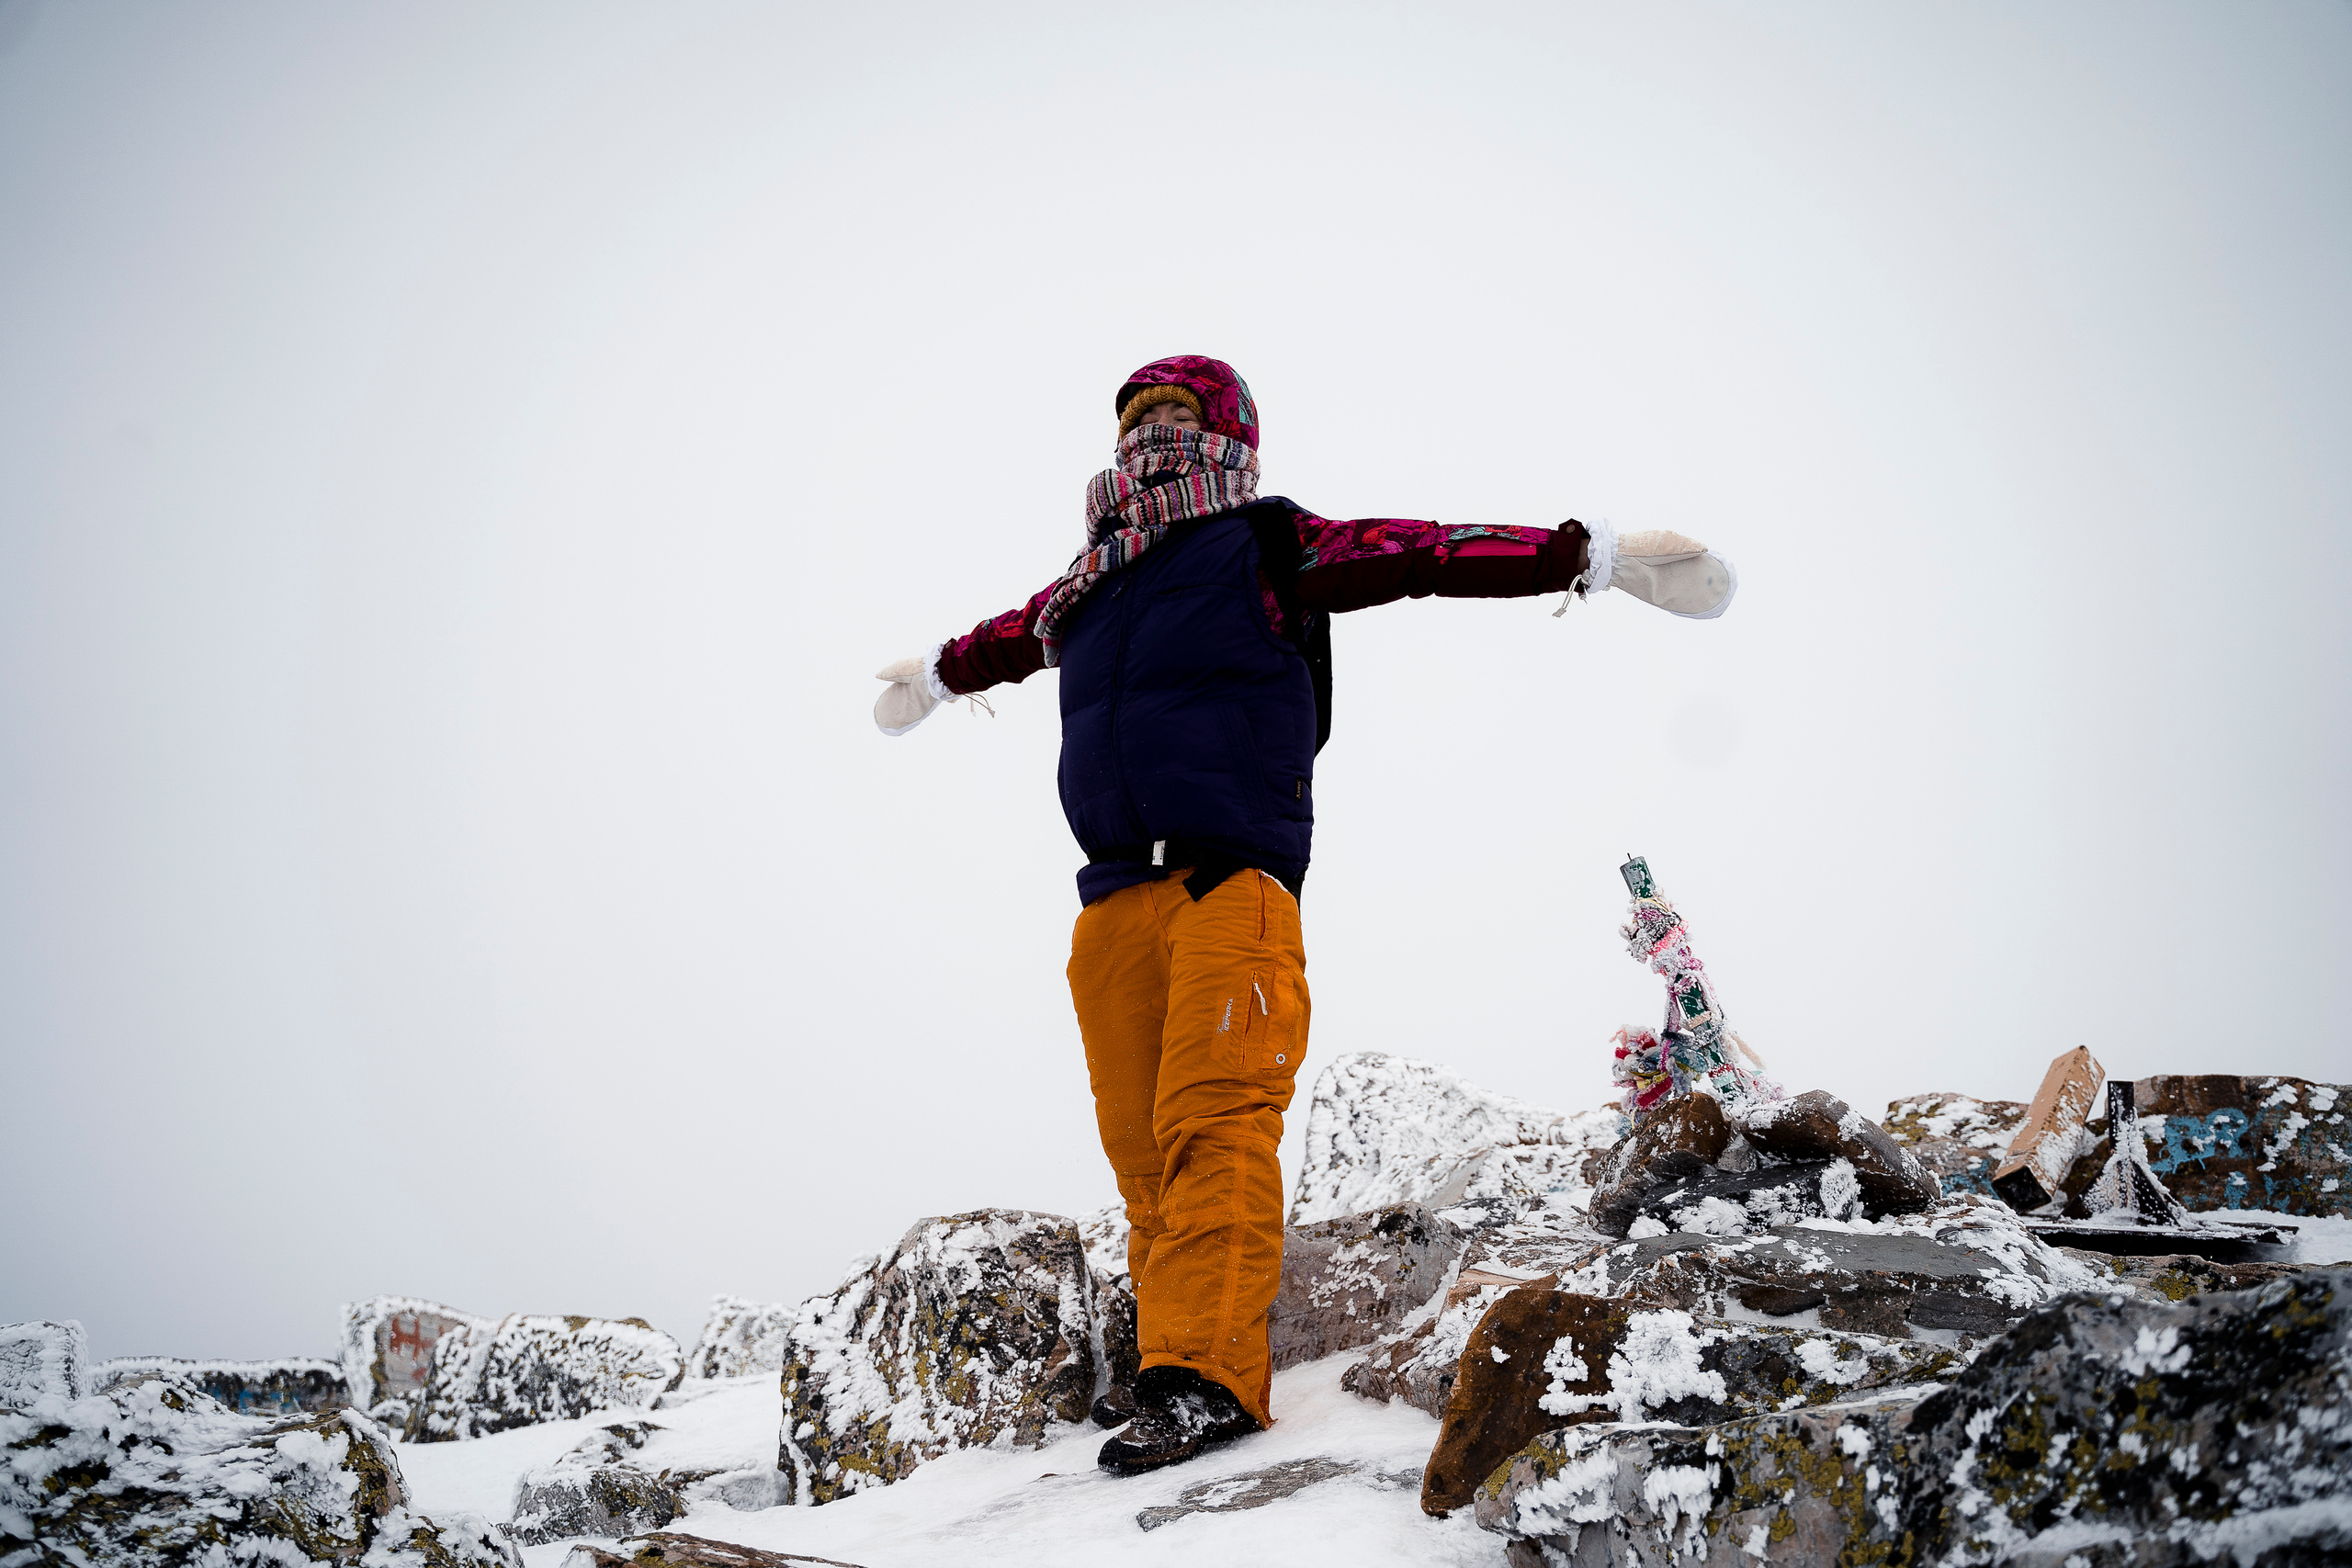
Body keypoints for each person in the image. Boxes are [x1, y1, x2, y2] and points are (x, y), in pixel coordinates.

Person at [871, 355, 1735, 1473]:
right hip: (1113, 900)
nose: (1152, 436)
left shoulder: (1266, 541)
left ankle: (1206, 1382)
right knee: (1142, 1154)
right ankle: (1169, 1363)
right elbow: (1001, 637)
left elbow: (1420, 552)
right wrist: (937, 676)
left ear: (1227, 430)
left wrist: (1589, 556)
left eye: (1177, 415)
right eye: (1137, 420)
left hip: (1233, 885)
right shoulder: (1087, 585)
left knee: (1216, 1122)